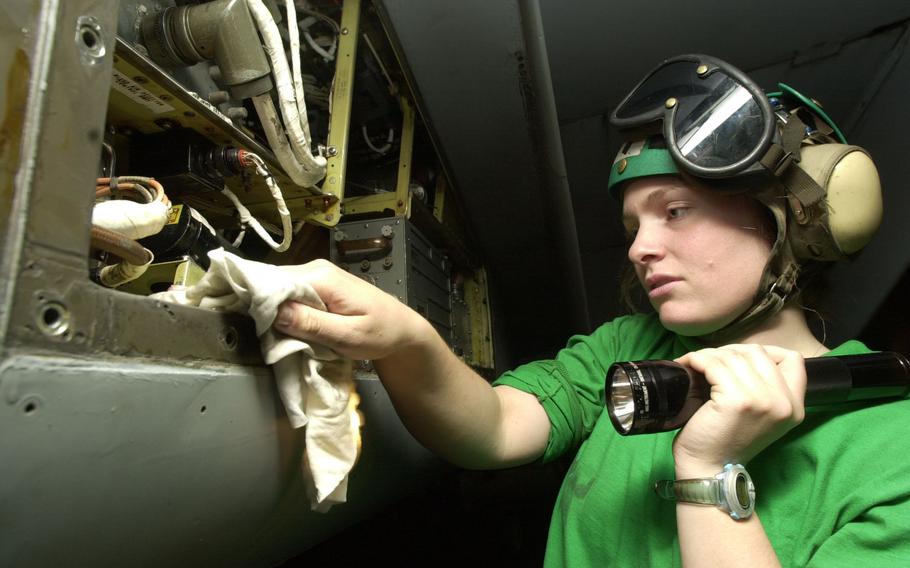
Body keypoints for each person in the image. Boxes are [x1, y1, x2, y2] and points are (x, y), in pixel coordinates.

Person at [271, 54, 910, 566]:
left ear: (789, 226)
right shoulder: (629, 344)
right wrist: (405, 337)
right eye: (632, 224)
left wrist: (710, 471)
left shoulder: (891, 447)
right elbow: (492, 429)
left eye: (675, 211)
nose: (639, 248)